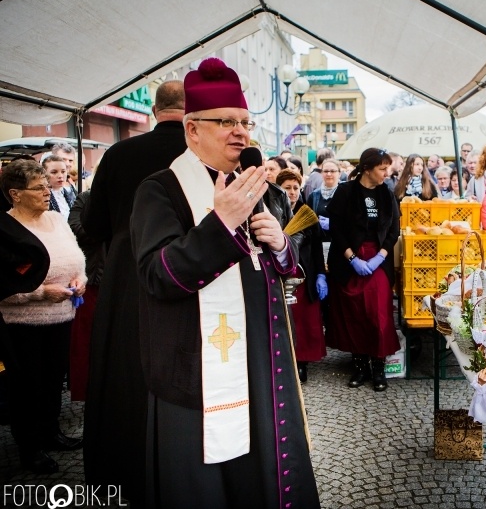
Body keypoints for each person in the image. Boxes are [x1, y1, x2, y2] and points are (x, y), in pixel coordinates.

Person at [129, 57, 319, 507]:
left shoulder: (247, 185)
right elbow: (159, 275)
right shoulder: (159, 190)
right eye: (226, 122)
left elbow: (272, 270)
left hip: (259, 365)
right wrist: (221, 223)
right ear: (192, 129)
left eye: (245, 122)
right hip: (197, 371)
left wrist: (280, 248)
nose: (241, 132)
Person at [81, 79, 187, 502]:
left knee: (124, 374)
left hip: (128, 279)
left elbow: (94, 225)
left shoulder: (119, 153)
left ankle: (121, 469)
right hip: (187, 278)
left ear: (155, 110)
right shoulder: (200, 153)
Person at [0, 160, 87, 474]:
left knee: (52, 380)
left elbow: (78, 259)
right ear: (16, 194)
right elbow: (3, 283)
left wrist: (81, 280)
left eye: (47, 186)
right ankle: (30, 446)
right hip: (23, 323)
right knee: (27, 386)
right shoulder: (4, 229)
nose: (47, 192)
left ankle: (52, 433)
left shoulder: (56, 220)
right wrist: (39, 293)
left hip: (62, 316)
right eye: (39, 188)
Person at [326, 148, 400, 393]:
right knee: (354, 313)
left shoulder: (387, 194)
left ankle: (378, 366)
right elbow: (336, 229)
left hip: (378, 258)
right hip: (350, 259)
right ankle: (360, 366)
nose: (386, 173)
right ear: (367, 168)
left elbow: (393, 231)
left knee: (379, 313)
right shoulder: (346, 191)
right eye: (382, 168)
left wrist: (381, 256)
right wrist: (352, 258)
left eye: (387, 169)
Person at [277, 169, 326, 383]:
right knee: (284, 319)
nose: (292, 192)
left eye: (296, 188)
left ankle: (301, 363)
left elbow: (316, 249)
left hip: (304, 275)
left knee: (304, 320)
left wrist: (320, 275)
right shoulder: (272, 212)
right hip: (280, 274)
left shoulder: (307, 215)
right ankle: (282, 362)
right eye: (287, 188)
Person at [67, 190, 104, 402]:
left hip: (123, 279)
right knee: (86, 341)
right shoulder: (87, 198)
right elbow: (76, 228)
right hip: (92, 279)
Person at [43, 154, 73, 219]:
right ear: (44, 173)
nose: (60, 176)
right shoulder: (42, 196)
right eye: (54, 172)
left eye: (63, 171)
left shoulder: (71, 193)